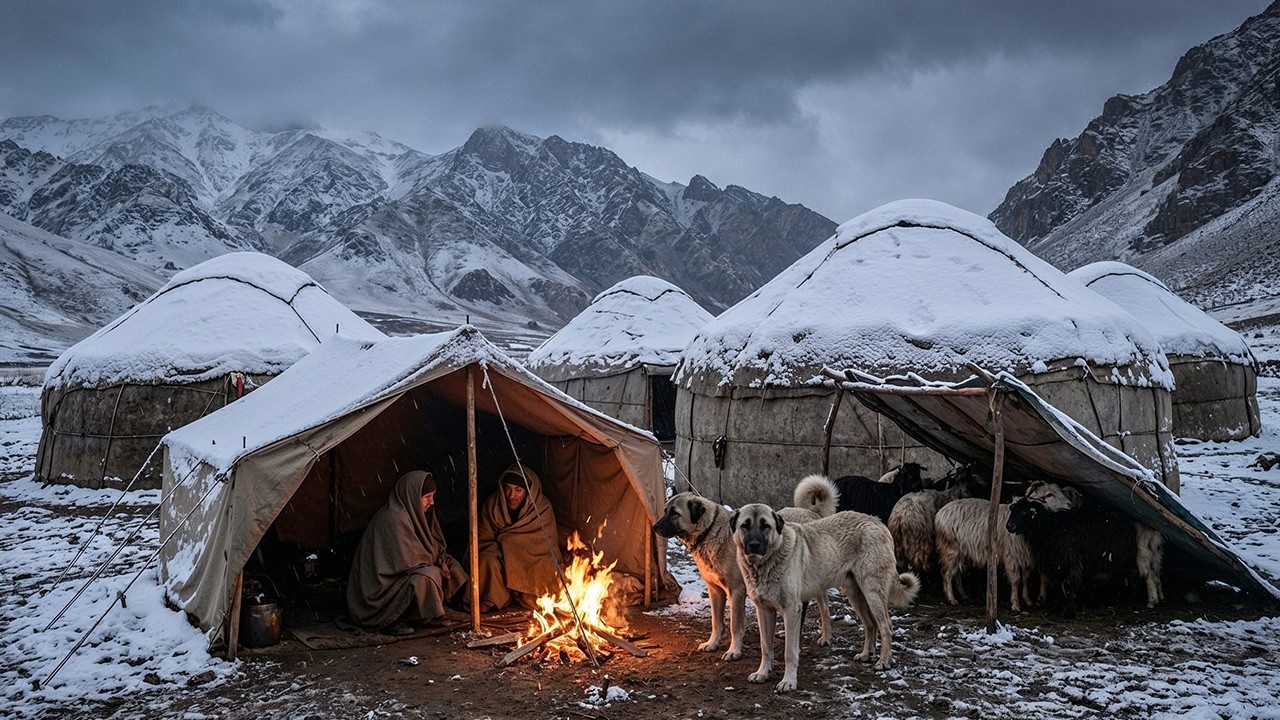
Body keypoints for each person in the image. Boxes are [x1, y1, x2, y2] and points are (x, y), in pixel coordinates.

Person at [346, 470, 467, 631]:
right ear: (413, 496)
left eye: (433, 496)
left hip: (407, 572)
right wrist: (436, 562)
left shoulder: (417, 512)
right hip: (382, 589)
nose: (432, 502)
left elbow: (431, 545)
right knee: (428, 576)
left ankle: (462, 604)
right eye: (427, 497)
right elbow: (408, 561)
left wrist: (441, 560)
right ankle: (394, 619)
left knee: (450, 564)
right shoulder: (396, 518)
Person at [474, 463, 562, 612]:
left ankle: (530, 596)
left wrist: (511, 545)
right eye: (507, 489)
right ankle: (494, 598)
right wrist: (505, 548)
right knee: (486, 560)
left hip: (534, 558)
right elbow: (482, 539)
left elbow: (547, 545)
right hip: (501, 555)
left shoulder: (542, 507)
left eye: (518, 490)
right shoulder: (492, 505)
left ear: (528, 491)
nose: (511, 496)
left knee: (547, 566)